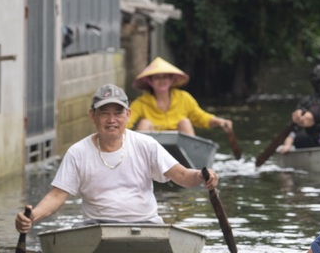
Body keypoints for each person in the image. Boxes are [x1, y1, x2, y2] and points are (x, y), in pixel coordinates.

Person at [15, 84, 219, 233]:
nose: (111, 120)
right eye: (104, 113)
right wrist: (32, 217)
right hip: (96, 228)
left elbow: (182, 175)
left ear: (128, 115)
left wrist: (202, 176)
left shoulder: (145, 145)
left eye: (118, 113)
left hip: (146, 225)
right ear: (92, 116)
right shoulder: (78, 152)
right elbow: (57, 196)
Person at [127, 57, 233, 137]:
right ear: (150, 81)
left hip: (180, 146)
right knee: (145, 123)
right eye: (157, 78)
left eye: (165, 77)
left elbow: (200, 117)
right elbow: (127, 120)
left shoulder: (184, 98)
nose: (162, 81)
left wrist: (220, 122)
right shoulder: (141, 102)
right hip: (153, 146)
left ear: (172, 79)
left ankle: (191, 164)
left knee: (185, 122)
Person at [279, 64, 320, 154]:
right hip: (315, 138)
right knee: (300, 136)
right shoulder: (308, 101)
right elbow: (295, 127)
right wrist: (287, 145)